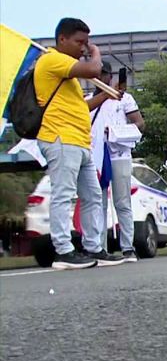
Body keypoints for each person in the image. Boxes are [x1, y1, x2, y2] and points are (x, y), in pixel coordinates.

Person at [35, 18, 125, 269]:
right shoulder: (53, 60)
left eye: (87, 44)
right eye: (80, 42)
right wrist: (96, 52)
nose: (84, 48)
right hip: (60, 137)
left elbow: (81, 107)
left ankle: (94, 247)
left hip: (79, 140)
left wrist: (105, 96)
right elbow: (94, 70)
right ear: (62, 39)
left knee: (93, 196)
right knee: (64, 195)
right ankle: (63, 250)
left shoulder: (68, 74)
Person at [87, 62, 145, 261]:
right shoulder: (88, 100)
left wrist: (117, 132)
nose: (100, 78)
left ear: (110, 76)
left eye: (103, 74)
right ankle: (100, 248)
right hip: (96, 156)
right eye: (96, 74)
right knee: (98, 203)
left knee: (122, 201)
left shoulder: (124, 99)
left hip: (119, 154)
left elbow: (140, 124)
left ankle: (127, 247)